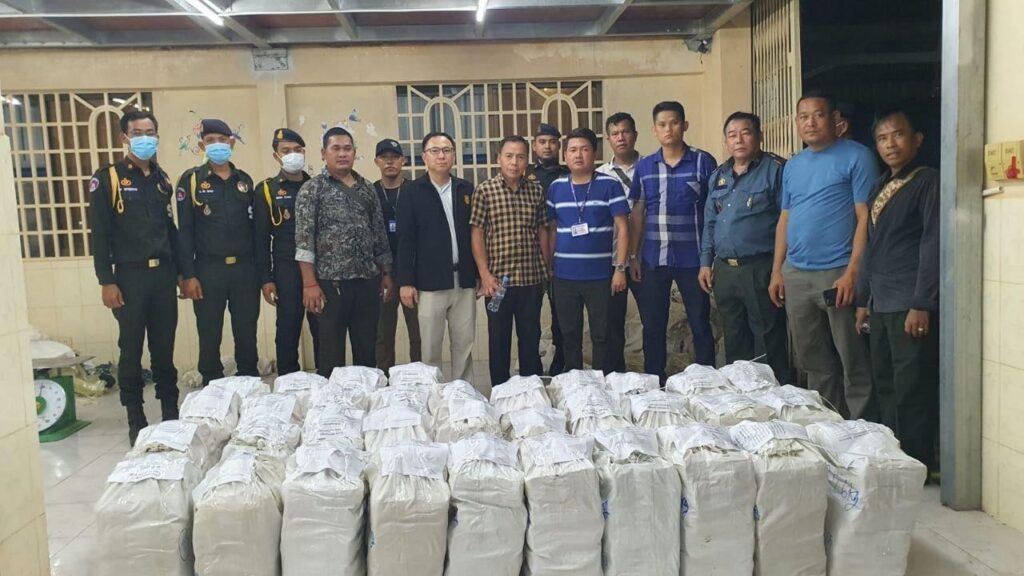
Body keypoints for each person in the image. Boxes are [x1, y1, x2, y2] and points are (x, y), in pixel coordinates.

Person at [768, 92, 879, 419]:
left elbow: (865, 217)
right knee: (813, 361)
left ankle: (862, 429)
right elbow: (785, 218)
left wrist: (853, 272)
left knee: (853, 359)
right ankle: (827, 424)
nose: (810, 122)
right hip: (797, 274)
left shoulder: (857, 157)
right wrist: (777, 270)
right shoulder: (793, 165)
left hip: (838, 273)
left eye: (818, 115)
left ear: (835, 121)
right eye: (803, 116)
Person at [856, 108, 939, 473]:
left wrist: (922, 303)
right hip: (880, 302)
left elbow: (932, 244)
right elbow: (871, 247)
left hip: (909, 303)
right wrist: (864, 300)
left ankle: (918, 463)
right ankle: (894, 458)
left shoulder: (927, 181)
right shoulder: (878, 186)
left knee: (912, 388)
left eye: (898, 135)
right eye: (882, 138)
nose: (890, 144)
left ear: (917, 140)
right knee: (885, 384)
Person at [90, 109, 179, 445]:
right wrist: (106, 280)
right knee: (130, 349)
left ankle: (170, 412)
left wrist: (182, 273)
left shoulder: (161, 179)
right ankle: (135, 417)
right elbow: (99, 233)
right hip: (129, 277)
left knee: (164, 348)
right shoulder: (108, 179)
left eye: (150, 132)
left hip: (163, 275)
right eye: (138, 133)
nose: (146, 139)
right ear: (124, 138)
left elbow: (170, 230)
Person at [628, 101, 718, 381]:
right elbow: (638, 211)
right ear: (654, 130)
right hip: (654, 258)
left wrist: (709, 258)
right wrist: (633, 255)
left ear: (684, 125)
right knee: (653, 325)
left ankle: (706, 381)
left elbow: (713, 211)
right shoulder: (645, 166)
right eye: (662, 124)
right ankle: (655, 382)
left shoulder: (703, 162)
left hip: (694, 259)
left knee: (700, 322)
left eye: (674, 123)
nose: (669, 129)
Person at [295, 127, 394, 375]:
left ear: (354, 153)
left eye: (347, 149)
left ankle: (365, 397)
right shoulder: (312, 189)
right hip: (330, 285)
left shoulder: (367, 188)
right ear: (323, 153)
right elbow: (304, 241)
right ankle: (333, 400)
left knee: (366, 354)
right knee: (330, 356)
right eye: (336, 148)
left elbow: (379, 233)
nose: (342, 154)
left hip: (367, 283)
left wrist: (386, 273)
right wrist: (309, 284)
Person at [699, 112, 790, 381]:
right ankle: (741, 395)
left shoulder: (775, 170)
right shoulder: (718, 175)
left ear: (759, 136)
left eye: (745, 133)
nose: (738, 140)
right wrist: (705, 262)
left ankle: (774, 395)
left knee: (768, 340)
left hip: (760, 267)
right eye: (732, 135)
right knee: (735, 339)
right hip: (725, 270)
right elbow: (710, 222)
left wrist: (778, 270)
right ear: (726, 141)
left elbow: (787, 220)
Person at [176, 119, 259, 386]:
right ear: (202, 145)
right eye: (210, 141)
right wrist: (187, 274)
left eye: (222, 140)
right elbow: (184, 231)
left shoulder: (244, 181)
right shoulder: (191, 181)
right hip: (208, 270)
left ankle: (249, 383)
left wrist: (261, 273)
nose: (217, 145)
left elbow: (255, 230)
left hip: (244, 269)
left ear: (231, 143)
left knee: (247, 330)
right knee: (209, 332)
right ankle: (211, 387)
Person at [397, 132, 479, 388]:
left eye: (447, 150)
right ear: (424, 157)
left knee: (464, 344)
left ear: (454, 155)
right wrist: (406, 281)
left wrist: (478, 274)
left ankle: (463, 394)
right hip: (429, 283)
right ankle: (432, 395)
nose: (441, 155)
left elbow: (477, 234)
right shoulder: (411, 192)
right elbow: (405, 239)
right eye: (435, 151)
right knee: (430, 348)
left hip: (463, 280)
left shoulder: (466, 189)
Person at [546, 127, 630, 372]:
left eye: (584, 149)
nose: (578, 155)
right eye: (572, 150)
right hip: (564, 277)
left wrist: (620, 269)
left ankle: (602, 383)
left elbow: (623, 228)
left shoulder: (610, 185)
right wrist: (549, 267)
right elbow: (552, 230)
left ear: (594, 153)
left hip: (601, 277)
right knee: (569, 335)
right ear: (565, 155)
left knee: (602, 335)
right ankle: (576, 383)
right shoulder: (556, 188)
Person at [471, 135, 551, 386]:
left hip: (531, 279)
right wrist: (484, 275)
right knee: (499, 341)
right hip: (497, 283)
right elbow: (477, 233)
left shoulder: (536, 191)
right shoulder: (485, 190)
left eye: (520, 157)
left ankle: (530, 392)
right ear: (499, 159)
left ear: (527, 160)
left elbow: (542, 230)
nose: (514, 162)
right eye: (509, 156)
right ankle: (501, 394)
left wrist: (547, 268)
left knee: (530, 339)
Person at [254, 128, 319, 375]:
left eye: (297, 150)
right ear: (276, 156)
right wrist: (266, 279)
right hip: (286, 269)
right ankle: (289, 383)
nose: (293, 155)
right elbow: (260, 240)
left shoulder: (317, 187)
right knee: (287, 330)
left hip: (318, 267)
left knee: (323, 329)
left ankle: (325, 381)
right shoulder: (267, 190)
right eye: (286, 151)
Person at [596, 112, 643, 374]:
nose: (621, 137)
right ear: (608, 139)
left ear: (635, 135)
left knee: (652, 321)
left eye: (625, 132)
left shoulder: (650, 168)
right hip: (613, 260)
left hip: (645, 258)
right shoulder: (600, 175)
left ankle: (653, 376)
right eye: (615, 133)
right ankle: (616, 376)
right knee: (612, 324)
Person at [372, 138, 422, 371]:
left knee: (418, 333)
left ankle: (419, 377)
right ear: (377, 161)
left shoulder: (415, 191)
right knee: (383, 333)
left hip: (412, 271)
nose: (389, 162)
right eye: (384, 157)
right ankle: (384, 380)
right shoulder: (370, 192)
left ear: (403, 161)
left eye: (394, 157)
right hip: (381, 272)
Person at [527, 123, 570, 376]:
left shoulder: (567, 174)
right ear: (534, 146)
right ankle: (531, 364)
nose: (547, 146)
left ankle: (560, 361)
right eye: (542, 142)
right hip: (528, 255)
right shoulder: (525, 175)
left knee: (560, 314)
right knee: (529, 316)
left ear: (559, 145)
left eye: (552, 142)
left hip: (560, 253)